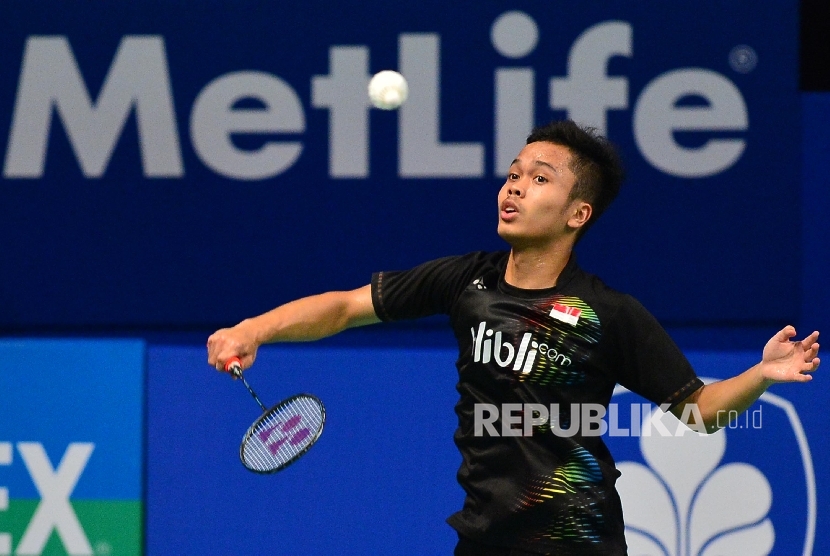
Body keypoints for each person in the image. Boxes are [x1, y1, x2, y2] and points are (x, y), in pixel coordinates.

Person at [206, 120, 820, 555]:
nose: (515, 187)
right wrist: (253, 328)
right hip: (483, 539)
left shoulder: (608, 312)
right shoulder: (463, 281)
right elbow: (344, 308)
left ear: (578, 213)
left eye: (540, 179)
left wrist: (760, 375)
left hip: (577, 542)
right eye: (513, 174)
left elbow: (699, 410)